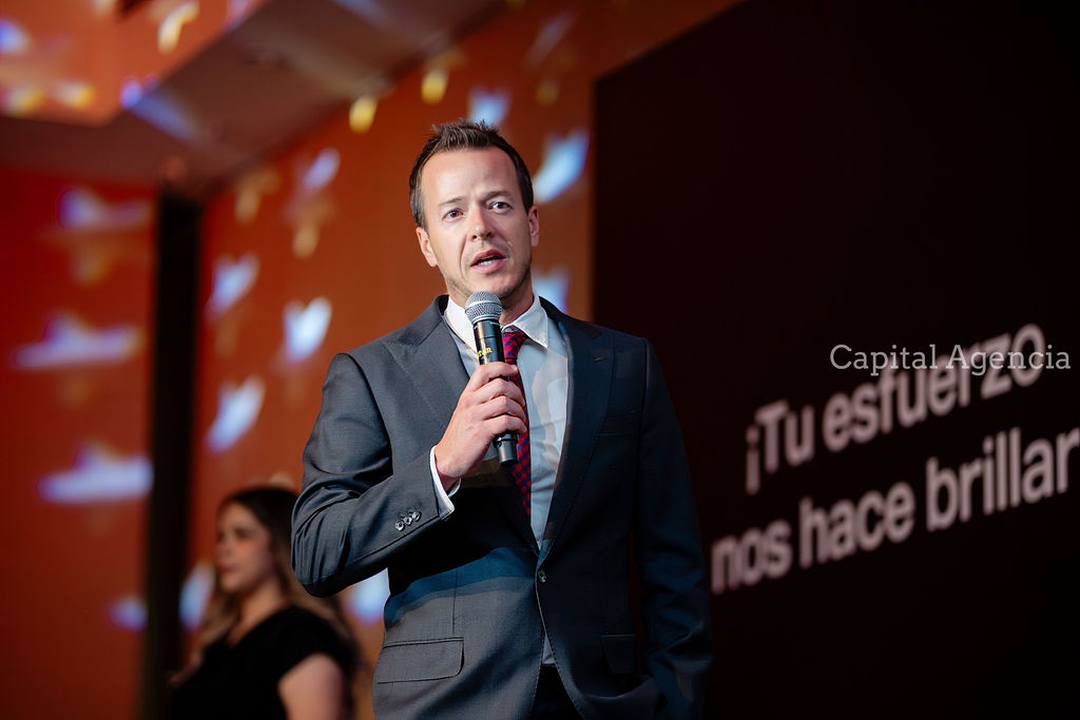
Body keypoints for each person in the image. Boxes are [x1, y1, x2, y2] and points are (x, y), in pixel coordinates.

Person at [292, 120, 711, 719]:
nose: (481, 228)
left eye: (498, 204)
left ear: (531, 222)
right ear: (427, 245)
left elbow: (673, 561)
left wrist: (676, 702)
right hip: (446, 704)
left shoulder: (623, 364)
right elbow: (317, 550)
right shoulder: (372, 374)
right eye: (454, 213)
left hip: (601, 702)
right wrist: (441, 468)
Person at [171, 487, 357, 719]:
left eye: (242, 535)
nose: (224, 549)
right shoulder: (219, 642)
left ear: (279, 543)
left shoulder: (302, 634)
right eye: (221, 537)